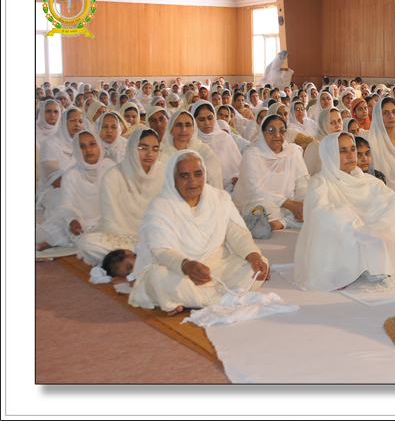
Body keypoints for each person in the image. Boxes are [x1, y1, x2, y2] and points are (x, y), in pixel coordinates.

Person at [128, 150, 270, 316]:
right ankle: (222, 298)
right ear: (173, 179)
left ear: (205, 174)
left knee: (257, 266)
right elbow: (159, 250)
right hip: (180, 269)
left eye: (198, 174)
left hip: (216, 268)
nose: (193, 181)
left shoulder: (219, 198)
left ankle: (192, 299)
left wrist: (253, 256)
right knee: (157, 276)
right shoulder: (161, 205)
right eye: (184, 176)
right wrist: (186, 266)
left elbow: (236, 234)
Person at [294, 133, 395, 291]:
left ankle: (377, 266)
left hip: (367, 231)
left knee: (379, 234)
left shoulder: (367, 180)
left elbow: (391, 201)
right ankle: (337, 272)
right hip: (344, 233)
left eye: (353, 149)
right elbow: (321, 212)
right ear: (329, 154)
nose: (351, 155)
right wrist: (356, 227)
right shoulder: (319, 182)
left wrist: (376, 226)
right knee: (352, 232)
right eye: (343, 151)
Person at [77, 129, 165, 266]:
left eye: (155, 149)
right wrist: (137, 242)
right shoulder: (113, 176)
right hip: (124, 239)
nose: (150, 154)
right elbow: (110, 222)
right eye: (143, 148)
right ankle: (149, 258)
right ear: (131, 148)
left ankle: (133, 261)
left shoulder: (164, 173)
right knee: (87, 243)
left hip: (156, 236)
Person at [36, 131, 116, 251]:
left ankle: (61, 241)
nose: (88, 150)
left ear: (100, 145)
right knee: (54, 230)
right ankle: (58, 239)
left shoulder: (110, 168)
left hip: (107, 220)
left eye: (92, 144)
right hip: (80, 220)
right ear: (76, 150)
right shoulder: (71, 174)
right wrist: (72, 220)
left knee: (117, 232)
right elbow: (66, 204)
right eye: (82, 146)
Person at [232, 113, 309, 234]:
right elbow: (256, 190)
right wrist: (288, 204)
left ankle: (280, 223)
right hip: (258, 201)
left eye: (282, 131)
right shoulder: (252, 155)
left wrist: (303, 204)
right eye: (271, 130)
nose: (277, 135)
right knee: (266, 210)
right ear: (262, 133)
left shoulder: (292, 152)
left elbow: (302, 183)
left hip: (289, 202)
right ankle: (287, 220)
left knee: (313, 206)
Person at [37, 107, 86, 212]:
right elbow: (54, 180)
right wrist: (79, 191)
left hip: (80, 188)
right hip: (53, 190)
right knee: (67, 202)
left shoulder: (82, 145)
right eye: (72, 120)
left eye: (80, 121)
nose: (77, 124)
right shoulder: (50, 144)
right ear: (64, 123)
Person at [160, 110, 224, 190]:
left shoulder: (201, 149)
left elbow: (215, 164)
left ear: (193, 129)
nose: (183, 129)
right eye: (179, 125)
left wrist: (196, 178)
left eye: (188, 125)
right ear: (170, 130)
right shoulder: (162, 152)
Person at [304, 108, 343, 175]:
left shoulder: (344, 145)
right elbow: (306, 175)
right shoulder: (315, 147)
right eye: (332, 122)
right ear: (322, 126)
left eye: (339, 121)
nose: (337, 125)